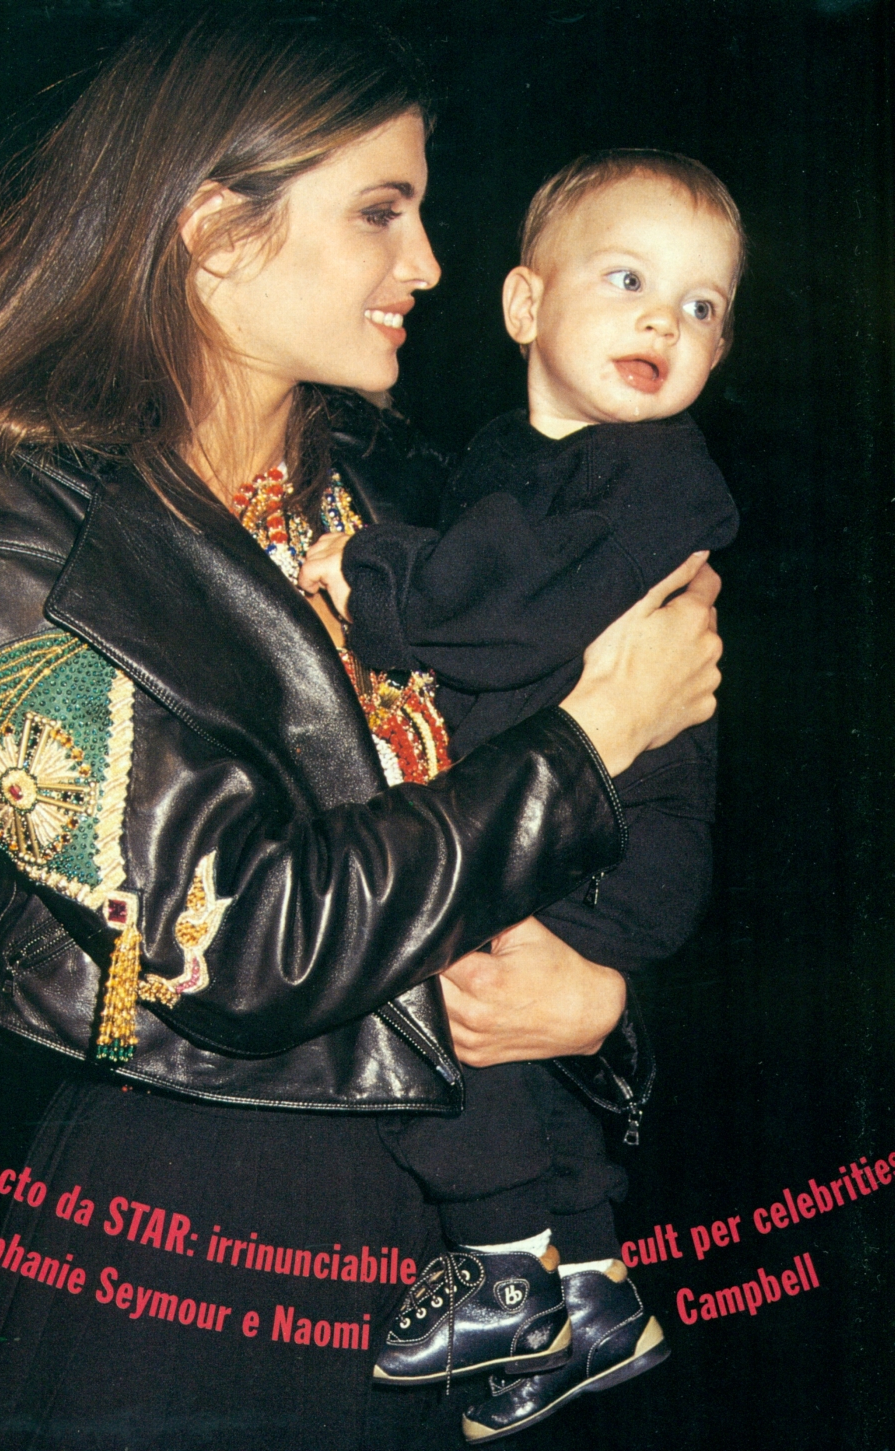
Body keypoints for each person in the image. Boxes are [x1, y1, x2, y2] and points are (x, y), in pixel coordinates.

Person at [0, 7, 723, 1448]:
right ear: (214, 228)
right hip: (197, 1222)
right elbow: (233, 940)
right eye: (382, 211)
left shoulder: (409, 502)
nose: (427, 264)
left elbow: (616, 853)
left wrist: (605, 1009)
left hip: (467, 1240)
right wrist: (588, 746)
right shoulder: (6, 540)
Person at [296, 150, 744, 1440]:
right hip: (574, 824)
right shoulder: (504, 456)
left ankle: (502, 1263)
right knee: (520, 1040)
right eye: (629, 280)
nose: (668, 322)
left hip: (621, 840)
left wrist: (369, 577)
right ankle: (592, 1291)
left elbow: (504, 607)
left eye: (704, 305)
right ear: (525, 305)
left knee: (444, 977)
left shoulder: (654, 475)